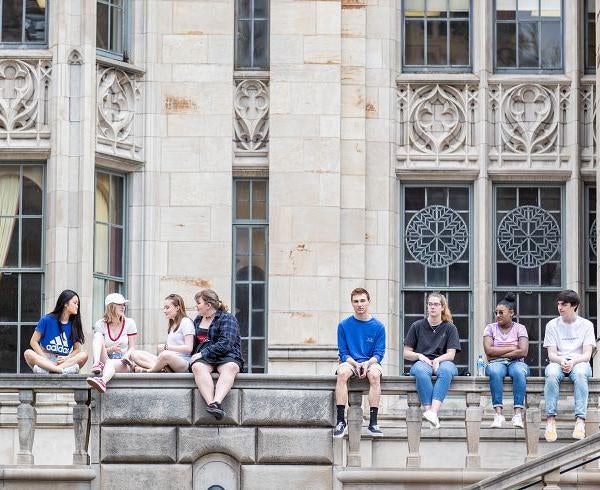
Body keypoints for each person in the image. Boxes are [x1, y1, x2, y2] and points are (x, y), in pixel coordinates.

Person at [543, 290, 596, 442]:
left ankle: (580, 420)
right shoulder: (552, 325)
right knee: (551, 373)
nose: (560, 307)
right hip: (558, 361)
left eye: (564, 304)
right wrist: (561, 361)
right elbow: (551, 354)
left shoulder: (586, 325)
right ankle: (551, 420)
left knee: (580, 375)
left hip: (580, 362)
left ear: (574, 306)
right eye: (559, 304)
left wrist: (573, 361)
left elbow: (587, 355)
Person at [333, 288, 386, 438]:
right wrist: (355, 364)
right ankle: (341, 421)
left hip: (371, 361)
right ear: (352, 303)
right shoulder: (343, 325)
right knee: (342, 374)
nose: (359, 304)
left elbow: (379, 354)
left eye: (362, 300)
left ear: (369, 301)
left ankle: (373, 423)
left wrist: (368, 363)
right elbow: (343, 353)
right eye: (356, 301)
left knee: (375, 376)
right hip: (350, 361)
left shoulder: (379, 327)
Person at [403, 292, 460, 429]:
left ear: (442, 307)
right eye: (430, 304)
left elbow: (451, 354)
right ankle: (429, 412)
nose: (432, 307)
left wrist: (438, 360)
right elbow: (406, 353)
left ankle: (433, 412)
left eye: (436, 304)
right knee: (421, 371)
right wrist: (419, 356)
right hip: (423, 362)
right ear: (427, 307)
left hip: (444, 361)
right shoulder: (417, 326)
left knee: (446, 370)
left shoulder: (450, 327)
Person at [189, 289, 244, 420]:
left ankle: (217, 401)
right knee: (197, 367)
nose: (196, 306)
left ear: (208, 305)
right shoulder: (197, 320)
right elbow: (193, 343)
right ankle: (212, 405)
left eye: (198, 303)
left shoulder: (227, 318)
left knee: (231, 367)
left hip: (226, 355)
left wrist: (202, 353)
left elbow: (226, 343)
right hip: (205, 358)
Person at [483, 292, 529, 428]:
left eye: (501, 313)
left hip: (517, 363)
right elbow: (488, 351)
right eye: (496, 312)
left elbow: (524, 351)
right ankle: (498, 414)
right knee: (495, 372)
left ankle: (517, 415)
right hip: (496, 364)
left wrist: (499, 353)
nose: (498, 315)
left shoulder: (520, 328)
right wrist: (512, 348)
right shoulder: (490, 328)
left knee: (520, 372)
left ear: (511, 313)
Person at [24, 289, 88, 374]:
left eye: (78, 304)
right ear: (65, 304)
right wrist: (45, 359)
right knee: (28, 353)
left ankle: (52, 370)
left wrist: (67, 358)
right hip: (46, 359)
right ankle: (60, 370)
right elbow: (33, 342)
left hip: (64, 361)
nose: (77, 306)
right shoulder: (46, 319)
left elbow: (77, 349)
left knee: (84, 355)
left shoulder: (74, 324)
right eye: (75, 303)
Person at [126, 294, 194, 373]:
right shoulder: (171, 324)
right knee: (134, 354)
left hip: (182, 362)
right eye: (164, 308)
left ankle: (150, 371)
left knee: (165, 355)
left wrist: (166, 347)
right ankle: (162, 369)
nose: (164, 311)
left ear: (177, 308)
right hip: (167, 360)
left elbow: (189, 348)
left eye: (167, 308)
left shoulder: (186, 322)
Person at [86, 293, 137, 393]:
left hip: (122, 362)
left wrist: (126, 356)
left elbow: (132, 348)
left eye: (124, 304)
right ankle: (96, 363)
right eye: (120, 304)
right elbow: (100, 347)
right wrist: (111, 349)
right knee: (98, 336)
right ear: (111, 306)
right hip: (105, 359)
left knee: (110, 363)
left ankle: (102, 381)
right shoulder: (100, 324)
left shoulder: (130, 323)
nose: (123, 307)